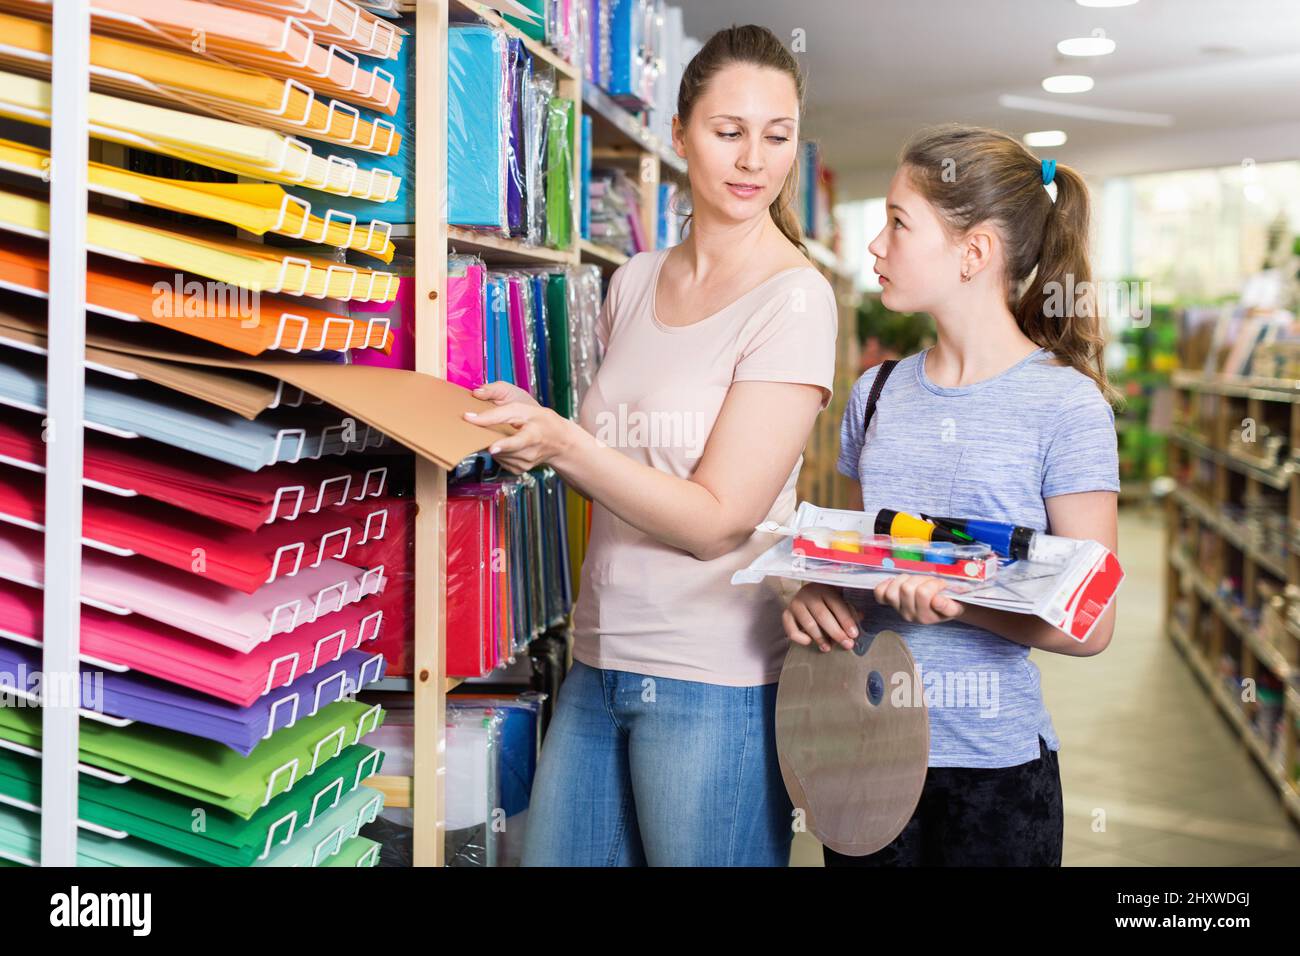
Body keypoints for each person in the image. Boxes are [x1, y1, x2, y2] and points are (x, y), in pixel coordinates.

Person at [464, 25, 838, 866]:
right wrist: (532, 439)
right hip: (598, 656)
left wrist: (565, 445)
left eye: (776, 137)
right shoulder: (631, 282)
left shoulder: (796, 301)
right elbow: (623, 468)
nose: (753, 160)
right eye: (727, 130)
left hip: (716, 679)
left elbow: (717, 519)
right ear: (679, 134)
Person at [783, 125, 1121, 867]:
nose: (875, 245)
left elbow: (1091, 626)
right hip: (866, 756)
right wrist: (818, 595)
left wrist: (958, 601)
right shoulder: (874, 397)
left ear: (974, 253)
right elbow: (855, 568)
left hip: (996, 777)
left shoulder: (1067, 408)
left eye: (899, 223)